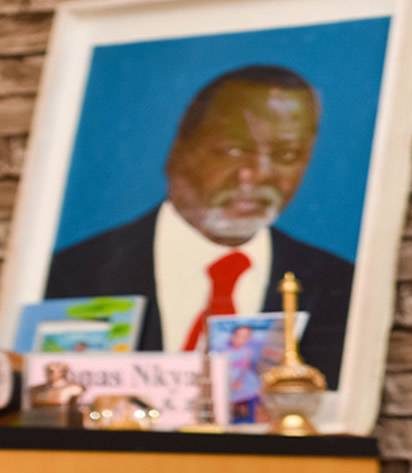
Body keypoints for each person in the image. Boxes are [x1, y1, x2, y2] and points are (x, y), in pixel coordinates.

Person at [45, 65, 351, 388]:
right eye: (233, 150)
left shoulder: (341, 287)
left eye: (286, 155)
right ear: (179, 149)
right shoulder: (71, 276)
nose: (258, 174)